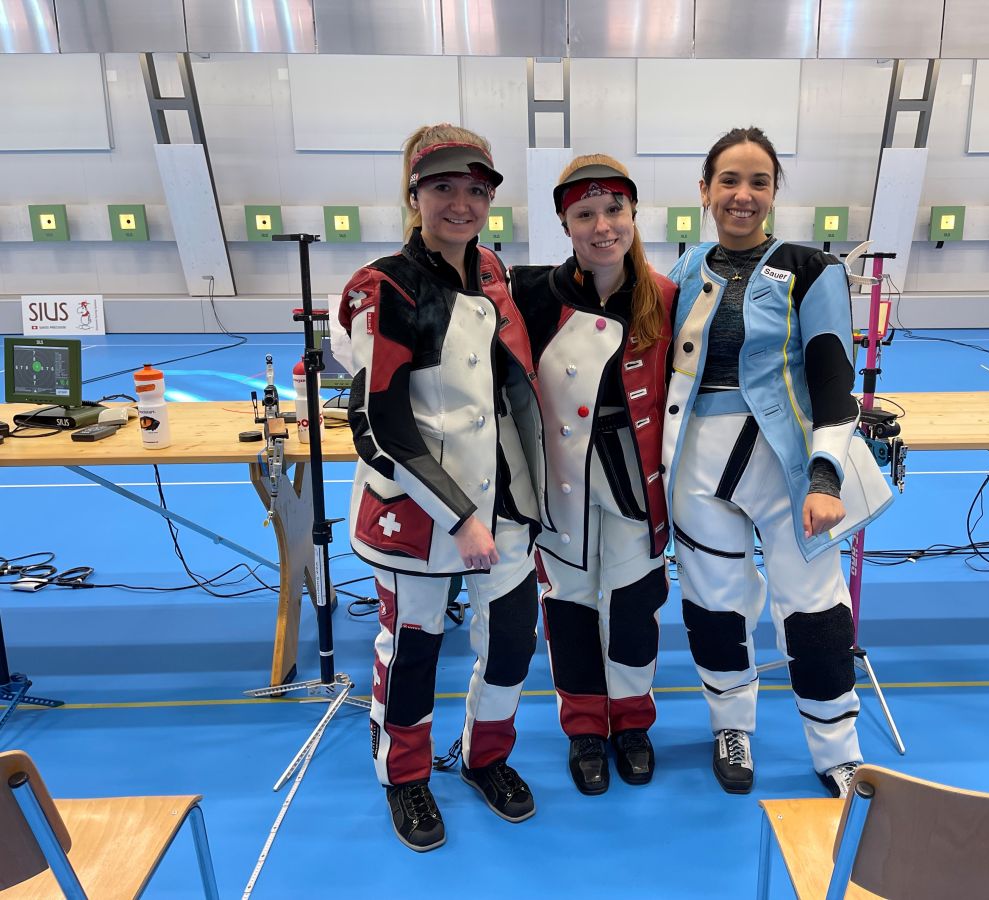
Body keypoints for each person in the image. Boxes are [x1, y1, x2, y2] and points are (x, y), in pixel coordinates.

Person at [661, 126, 893, 799]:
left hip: (789, 471)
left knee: (816, 611)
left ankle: (837, 749)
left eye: (758, 182)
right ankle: (730, 727)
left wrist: (824, 476)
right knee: (713, 605)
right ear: (705, 190)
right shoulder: (682, 271)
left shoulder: (813, 269)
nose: (743, 194)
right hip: (696, 470)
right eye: (729, 180)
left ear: (773, 193)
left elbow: (833, 380)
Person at [338, 123, 546, 852]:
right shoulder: (385, 286)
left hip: (508, 503)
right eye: (443, 188)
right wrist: (460, 517)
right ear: (414, 194)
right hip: (422, 510)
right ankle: (405, 775)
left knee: (512, 643)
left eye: (476, 190)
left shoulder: (491, 270)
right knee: (413, 649)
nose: (461, 203)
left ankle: (486, 758)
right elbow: (382, 423)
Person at [510, 155, 675, 795]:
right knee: (570, 606)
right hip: (562, 481)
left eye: (614, 210)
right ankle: (583, 726)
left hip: (637, 478)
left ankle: (632, 721)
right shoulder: (532, 294)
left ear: (633, 214)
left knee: (635, 605)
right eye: (585, 214)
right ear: (565, 223)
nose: (602, 226)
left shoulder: (665, 296)